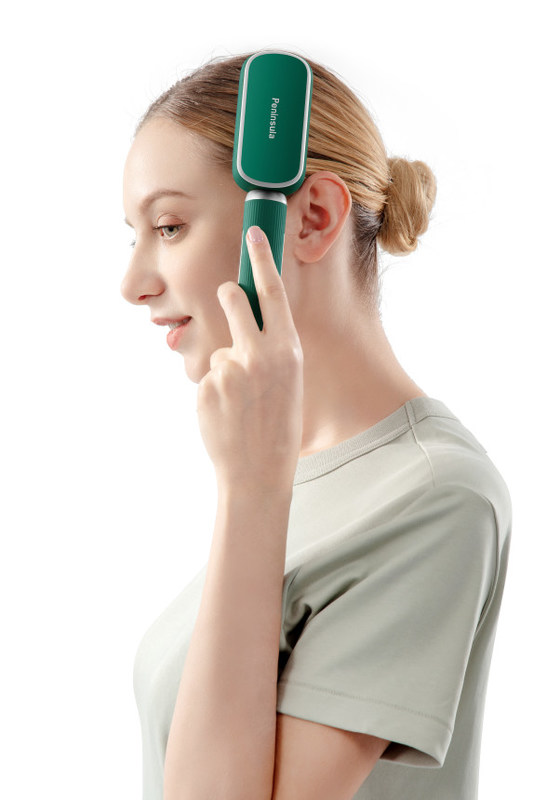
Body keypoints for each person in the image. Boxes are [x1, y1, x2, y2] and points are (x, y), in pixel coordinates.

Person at [121, 50, 512, 800]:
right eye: (134, 233)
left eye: (168, 226)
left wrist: (251, 487)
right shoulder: (292, 470)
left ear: (311, 218)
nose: (132, 282)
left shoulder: (435, 499)